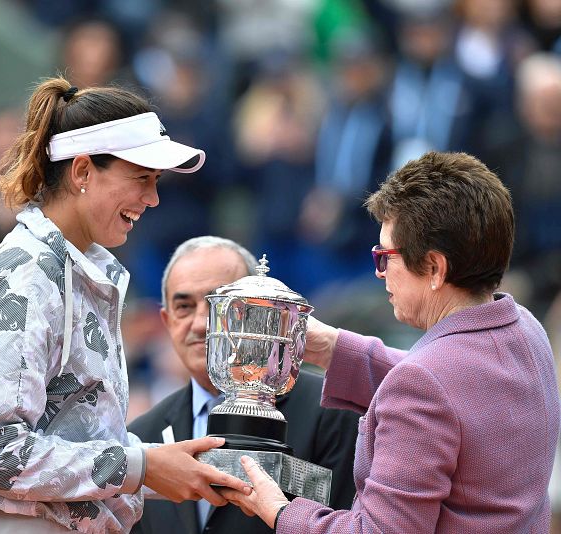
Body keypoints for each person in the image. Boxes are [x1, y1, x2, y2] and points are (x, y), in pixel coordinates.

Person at [0, 77, 250, 534]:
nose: (153, 198)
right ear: (83, 172)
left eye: (156, 181)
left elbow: (71, 436)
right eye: (141, 178)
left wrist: (159, 466)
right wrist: (142, 466)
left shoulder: (74, 265)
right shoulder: (30, 272)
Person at [218, 151, 560, 532]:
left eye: (385, 256)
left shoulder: (425, 384)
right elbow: (453, 393)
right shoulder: (527, 330)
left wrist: (282, 511)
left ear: (435, 268)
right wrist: (330, 346)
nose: (379, 272)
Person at [128, 236, 360, 534]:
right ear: (167, 320)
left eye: (219, 306)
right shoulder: (142, 436)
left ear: (260, 313)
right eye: (184, 306)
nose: (200, 323)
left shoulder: (332, 412)